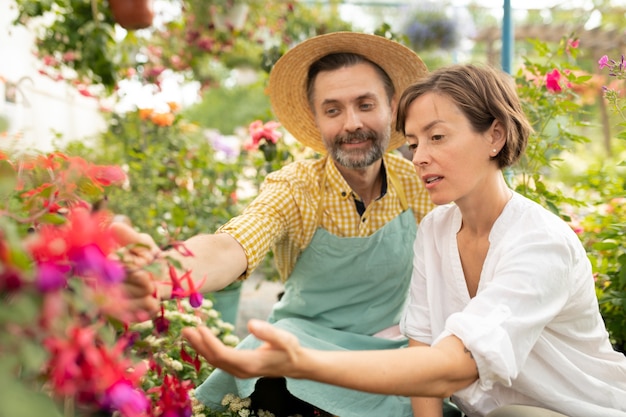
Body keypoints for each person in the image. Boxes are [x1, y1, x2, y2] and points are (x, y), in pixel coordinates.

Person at [180, 64, 626, 417]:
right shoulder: (435, 227)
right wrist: (172, 271)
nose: (421, 157)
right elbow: (422, 344)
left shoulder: (539, 242)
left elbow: (452, 365)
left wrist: (302, 365)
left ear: (495, 135)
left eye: (437, 137)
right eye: (413, 143)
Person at [112, 31, 446, 417]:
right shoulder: (295, 187)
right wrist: (166, 269)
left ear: (391, 106)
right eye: (333, 110)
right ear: (316, 119)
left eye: (365, 104)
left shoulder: (419, 182)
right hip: (303, 346)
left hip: (391, 349)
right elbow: (234, 244)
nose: (352, 123)